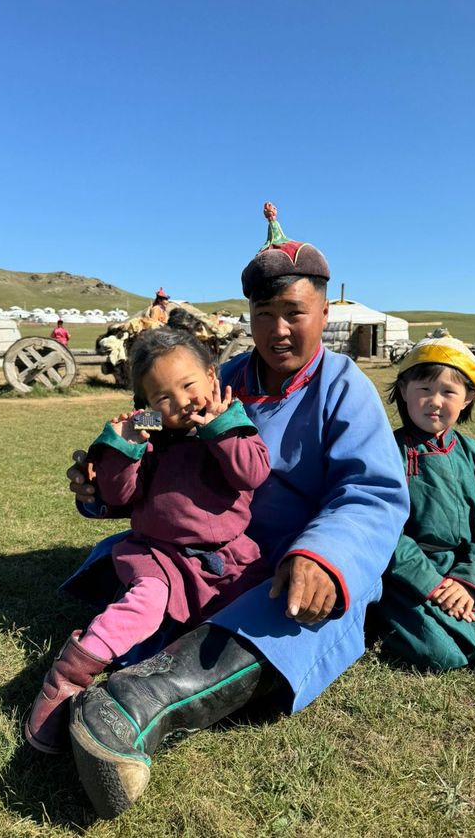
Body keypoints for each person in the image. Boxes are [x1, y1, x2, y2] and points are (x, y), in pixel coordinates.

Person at [61, 203, 409, 819]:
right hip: (202, 558)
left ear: (324, 313)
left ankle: (138, 706)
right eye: (264, 315)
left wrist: (325, 556)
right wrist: (99, 484)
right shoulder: (213, 381)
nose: (278, 330)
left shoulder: (343, 386)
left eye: (294, 314)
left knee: (301, 607)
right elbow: (155, 472)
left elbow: (373, 492)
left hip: (292, 559)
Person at [25, 327, 271, 754]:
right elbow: (117, 495)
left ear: (213, 378)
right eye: (162, 398)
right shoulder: (151, 440)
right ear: (146, 405)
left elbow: (251, 473)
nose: (180, 402)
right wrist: (123, 448)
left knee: (246, 618)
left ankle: (162, 693)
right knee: (146, 602)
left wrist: (221, 429)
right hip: (159, 555)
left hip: (227, 559)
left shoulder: (236, 422)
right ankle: (67, 679)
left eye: (189, 385)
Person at [377, 334, 475, 678]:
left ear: (468, 397)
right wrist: (431, 583)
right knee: (438, 653)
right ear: (404, 391)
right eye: (424, 389)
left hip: (461, 569)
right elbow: (384, 525)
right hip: (406, 573)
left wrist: (467, 582)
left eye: (449, 392)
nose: (435, 401)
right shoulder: (385, 451)